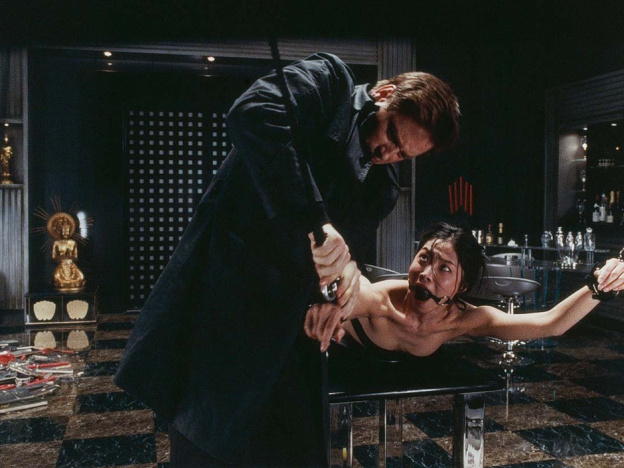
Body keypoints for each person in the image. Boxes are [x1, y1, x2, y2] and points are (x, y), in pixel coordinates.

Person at [114, 53, 461, 467]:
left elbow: (342, 262)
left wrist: (332, 299)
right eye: (390, 134)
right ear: (384, 94)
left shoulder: (380, 187)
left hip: (289, 331)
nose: (385, 153)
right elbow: (251, 112)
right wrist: (314, 217)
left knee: (293, 452)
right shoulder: (328, 82)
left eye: (402, 155)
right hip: (223, 307)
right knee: (205, 444)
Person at [304, 222, 624, 358]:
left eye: (444, 268)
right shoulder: (381, 301)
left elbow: (551, 323)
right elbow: (351, 289)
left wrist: (600, 285)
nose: (425, 274)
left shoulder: (465, 319)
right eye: (423, 258)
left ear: (463, 286)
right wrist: (330, 300)